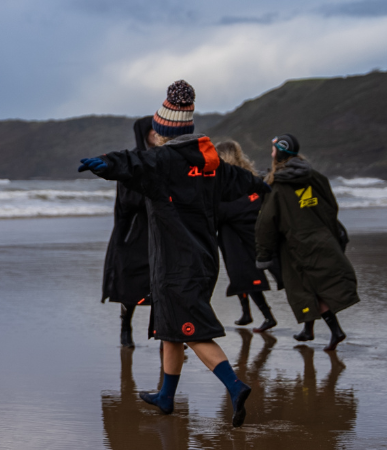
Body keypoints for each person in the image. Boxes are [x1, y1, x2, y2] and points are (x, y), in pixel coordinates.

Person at [78, 81, 268, 427]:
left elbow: (132, 164)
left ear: (163, 128)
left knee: (190, 329)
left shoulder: (162, 161)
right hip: (203, 259)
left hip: (175, 263)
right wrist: (263, 185)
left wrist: (103, 164)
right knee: (170, 327)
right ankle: (166, 396)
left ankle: (235, 384)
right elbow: (244, 180)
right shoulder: (209, 162)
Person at [254, 135, 359, 352]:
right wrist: (328, 231)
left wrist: (263, 254)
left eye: (274, 150)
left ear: (280, 153)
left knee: (304, 288)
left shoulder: (277, 185)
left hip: (295, 246)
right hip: (322, 238)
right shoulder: (315, 176)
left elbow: (266, 222)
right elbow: (331, 206)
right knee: (308, 287)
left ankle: (336, 331)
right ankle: (308, 330)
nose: (272, 154)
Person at [213, 141, 281, 332]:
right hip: (242, 232)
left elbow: (229, 209)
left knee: (243, 274)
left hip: (238, 235)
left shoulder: (226, 180)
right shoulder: (249, 175)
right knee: (240, 275)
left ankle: (266, 316)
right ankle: (248, 313)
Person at [100, 116, 156, 348]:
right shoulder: (130, 161)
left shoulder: (165, 157)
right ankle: (126, 326)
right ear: (143, 134)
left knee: (161, 284)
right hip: (134, 231)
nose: (157, 134)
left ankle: (165, 333)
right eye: (153, 131)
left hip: (159, 230)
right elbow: (127, 200)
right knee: (129, 284)